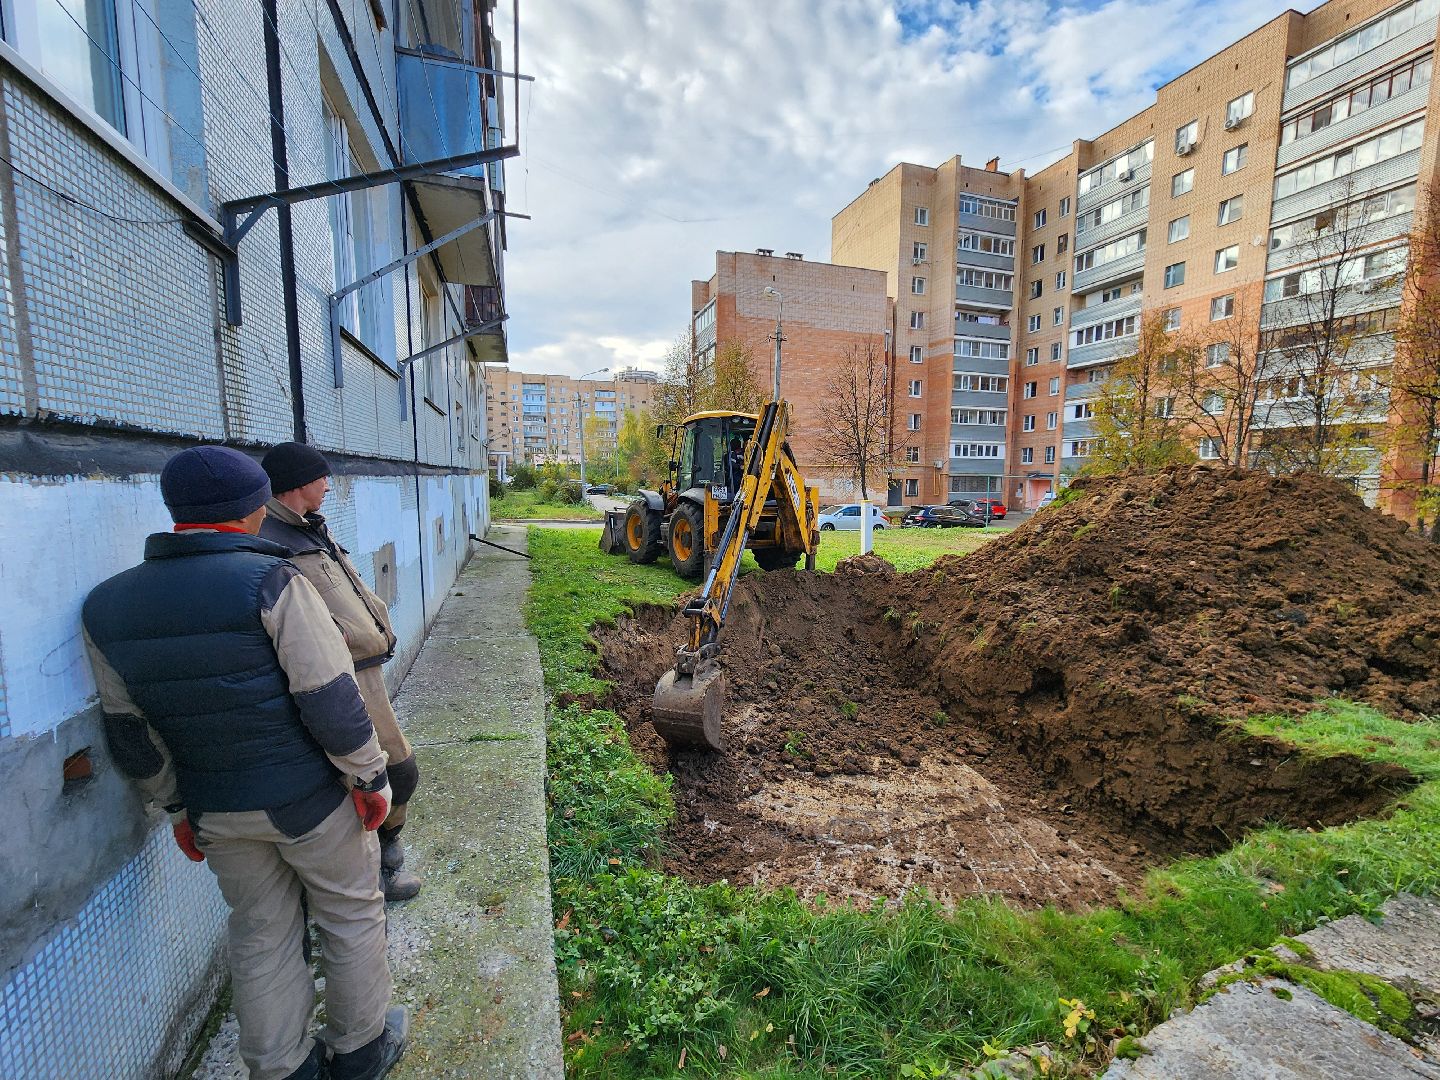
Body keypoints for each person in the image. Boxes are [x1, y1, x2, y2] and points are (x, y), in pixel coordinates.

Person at [81, 446, 407, 1080]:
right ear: (252, 509)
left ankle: (281, 1067)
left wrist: (176, 805)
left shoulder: (105, 605)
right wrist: (370, 776)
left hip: (215, 810)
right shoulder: (273, 582)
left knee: (260, 932)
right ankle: (360, 1048)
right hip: (310, 802)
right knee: (350, 913)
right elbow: (329, 696)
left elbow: (130, 733)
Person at [258, 442, 421, 902]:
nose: (329, 486)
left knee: (395, 772)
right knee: (391, 773)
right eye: (322, 477)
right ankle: (379, 869)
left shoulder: (310, 529)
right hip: (334, 676)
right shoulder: (272, 541)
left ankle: (385, 858)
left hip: (365, 671)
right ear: (298, 483)